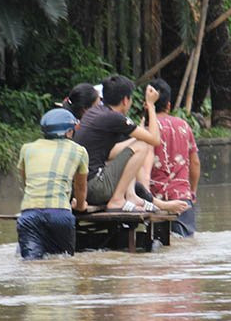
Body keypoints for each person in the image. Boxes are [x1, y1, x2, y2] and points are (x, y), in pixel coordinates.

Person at [72, 74, 188, 214]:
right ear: (126, 100)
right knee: (142, 145)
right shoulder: (114, 117)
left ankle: (131, 195)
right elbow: (154, 140)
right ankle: (118, 199)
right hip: (94, 188)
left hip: (80, 188)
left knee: (133, 144)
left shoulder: (96, 112)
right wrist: (151, 105)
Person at [16, 108, 89, 260]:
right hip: (60, 214)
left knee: (32, 265)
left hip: (29, 214)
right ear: (69, 132)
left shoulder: (27, 149)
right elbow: (80, 187)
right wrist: (81, 205)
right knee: (62, 263)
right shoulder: (79, 151)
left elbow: (26, 181)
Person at [145, 79, 200, 237]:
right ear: (169, 105)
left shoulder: (146, 129)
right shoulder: (184, 126)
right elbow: (195, 162)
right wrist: (192, 192)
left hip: (154, 200)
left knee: (156, 244)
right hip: (182, 198)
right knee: (185, 243)